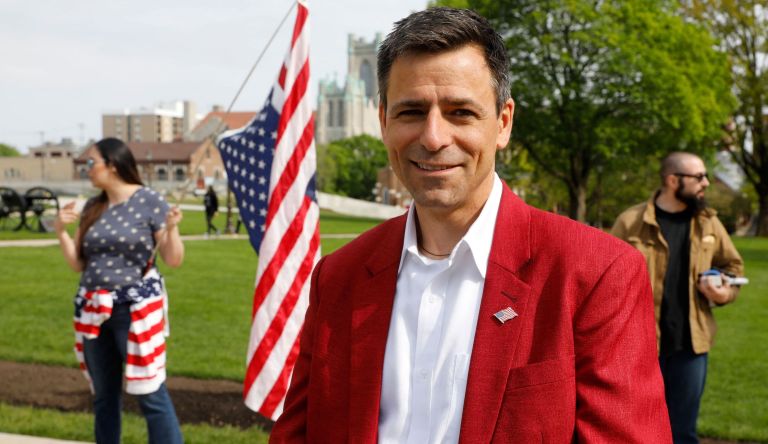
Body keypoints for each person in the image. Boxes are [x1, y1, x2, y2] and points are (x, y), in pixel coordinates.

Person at [270, 7, 671, 443]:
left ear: (503, 123)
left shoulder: (595, 273)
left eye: (461, 112)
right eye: (411, 112)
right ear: (383, 121)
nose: (434, 137)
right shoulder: (339, 277)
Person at [55, 137, 185, 444]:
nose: (86, 169)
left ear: (112, 165)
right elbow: (78, 264)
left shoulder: (150, 201)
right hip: (92, 311)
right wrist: (61, 231)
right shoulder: (93, 206)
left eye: (91, 163)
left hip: (134, 311)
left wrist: (173, 227)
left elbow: (173, 259)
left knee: (149, 391)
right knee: (104, 396)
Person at [611, 152, 744, 444]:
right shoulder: (631, 222)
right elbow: (606, 278)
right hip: (639, 347)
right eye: (699, 177)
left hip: (691, 347)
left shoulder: (708, 223)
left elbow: (733, 267)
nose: (706, 183)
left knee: (682, 432)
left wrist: (724, 292)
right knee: (637, 430)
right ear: (673, 180)